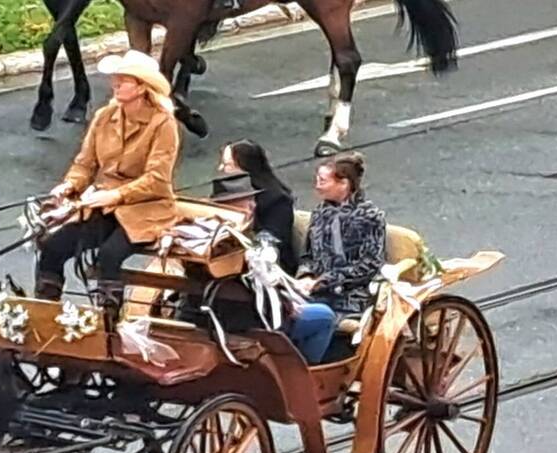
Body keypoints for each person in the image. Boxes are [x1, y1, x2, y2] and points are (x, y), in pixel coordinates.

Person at [35, 49, 181, 321]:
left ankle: (109, 323)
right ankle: (46, 315)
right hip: (103, 206)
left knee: (109, 256)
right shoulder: (104, 116)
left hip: (145, 209)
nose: (115, 85)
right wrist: (68, 186)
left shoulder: (163, 123)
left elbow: (157, 180)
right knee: (53, 246)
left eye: (124, 80)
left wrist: (116, 195)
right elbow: (85, 163)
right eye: (115, 79)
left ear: (142, 88)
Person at [178, 172, 337, 365]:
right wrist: (287, 306)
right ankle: (302, 371)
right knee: (325, 316)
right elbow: (256, 290)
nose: (253, 206)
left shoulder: (197, 238)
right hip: (248, 324)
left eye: (252, 200)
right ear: (229, 208)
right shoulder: (233, 246)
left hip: (197, 317)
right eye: (245, 202)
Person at [296, 151, 387, 319]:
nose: (317, 186)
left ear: (344, 184)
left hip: (351, 297)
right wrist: (306, 276)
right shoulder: (320, 212)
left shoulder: (369, 217)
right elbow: (307, 255)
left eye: (323, 181)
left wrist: (326, 281)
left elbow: (370, 264)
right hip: (314, 292)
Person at [218, 139, 298, 274]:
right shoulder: (224, 195)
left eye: (227, 165)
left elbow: (271, 241)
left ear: (244, 168)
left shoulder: (277, 200)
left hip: (269, 270)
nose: (221, 169)